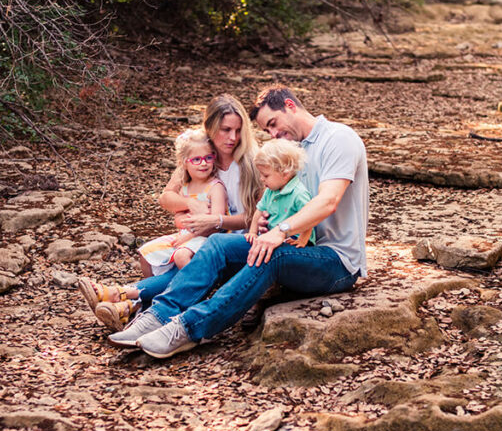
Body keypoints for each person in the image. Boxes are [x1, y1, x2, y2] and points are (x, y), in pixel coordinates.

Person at [109, 84, 368, 358]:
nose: (273, 133)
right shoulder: (288, 148)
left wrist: (281, 230)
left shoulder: (339, 139)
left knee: (272, 255)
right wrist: (264, 222)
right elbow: (272, 198)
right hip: (295, 248)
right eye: (267, 130)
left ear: (290, 106)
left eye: (273, 123)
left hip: (335, 261)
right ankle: (158, 316)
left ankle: (188, 328)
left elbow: (328, 200)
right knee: (220, 243)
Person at [78, 96, 262, 329]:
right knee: (160, 254)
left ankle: (123, 297)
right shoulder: (201, 153)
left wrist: (215, 220)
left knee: (186, 259)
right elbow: (166, 197)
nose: (233, 138)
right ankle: (131, 308)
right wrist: (189, 204)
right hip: (200, 236)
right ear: (211, 127)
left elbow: (255, 216)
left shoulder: (251, 162)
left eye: (238, 130)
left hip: (234, 243)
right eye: (225, 130)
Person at [137, 129, 227, 276]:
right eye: (196, 159)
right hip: (182, 236)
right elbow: (178, 219)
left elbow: (217, 224)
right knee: (145, 252)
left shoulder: (215, 187)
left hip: (205, 238)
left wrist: (189, 236)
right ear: (184, 163)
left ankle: (196, 287)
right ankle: (149, 292)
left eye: (208, 158)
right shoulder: (185, 187)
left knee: (181, 256)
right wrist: (183, 223)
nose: (203, 163)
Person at [246, 139, 313, 248]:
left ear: (285, 174)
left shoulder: (299, 193)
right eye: (261, 174)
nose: (261, 179)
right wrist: (253, 232)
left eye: (266, 175)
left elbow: (309, 218)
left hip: (294, 237)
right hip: (274, 236)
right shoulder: (270, 191)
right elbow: (259, 212)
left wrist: (303, 240)